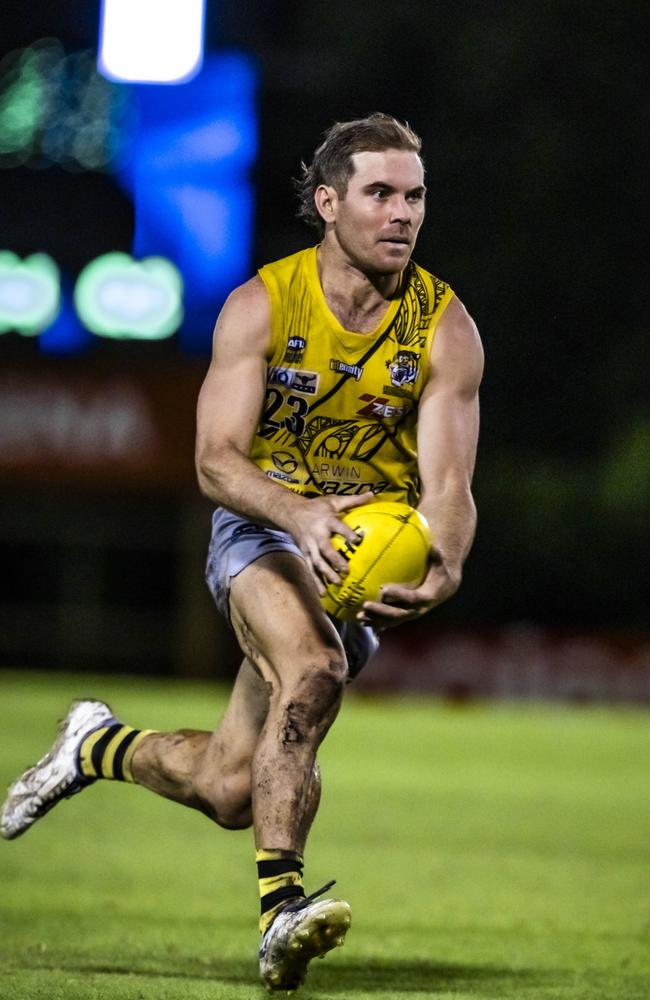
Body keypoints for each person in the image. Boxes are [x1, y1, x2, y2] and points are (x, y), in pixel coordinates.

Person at [0, 113, 483, 991]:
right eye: (380, 193)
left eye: (414, 196)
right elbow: (214, 460)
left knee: (229, 787)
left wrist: (444, 562)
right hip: (261, 525)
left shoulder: (445, 328)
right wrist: (295, 513)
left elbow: (450, 487)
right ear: (329, 202)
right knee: (313, 671)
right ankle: (280, 916)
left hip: (359, 556)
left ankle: (95, 745)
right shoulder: (264, 303)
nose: (402, 213)